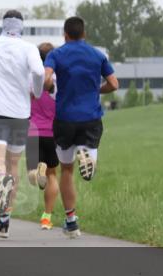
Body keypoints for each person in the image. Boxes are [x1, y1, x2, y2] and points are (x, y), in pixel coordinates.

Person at [42, 16, 118, 238]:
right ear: (84, 34)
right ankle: (88, 157)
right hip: (91, 118)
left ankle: (71, 220)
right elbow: (114, 84)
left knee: (66, 169)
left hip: (65, 118)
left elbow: (47, 78)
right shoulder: (97, 55)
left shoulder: (57, 54)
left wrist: (48, 86)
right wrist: (97, 90)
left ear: (65, 35)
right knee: (88, 162)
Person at [0, 10, 45, 239]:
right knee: (14, 163)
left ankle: (0, 179)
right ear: (21, 26)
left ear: (2, 25)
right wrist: (37, 89)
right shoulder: (28, 48)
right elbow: (39, 71)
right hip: (20, 113)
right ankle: (4, 222)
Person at [28, 42, 60, 230]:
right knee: (53, 174)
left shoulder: (32, 78)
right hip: (52, 131)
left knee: (33, 171)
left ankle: (37, 169)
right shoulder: (57, 80)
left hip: (32, 130)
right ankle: (46, 217)